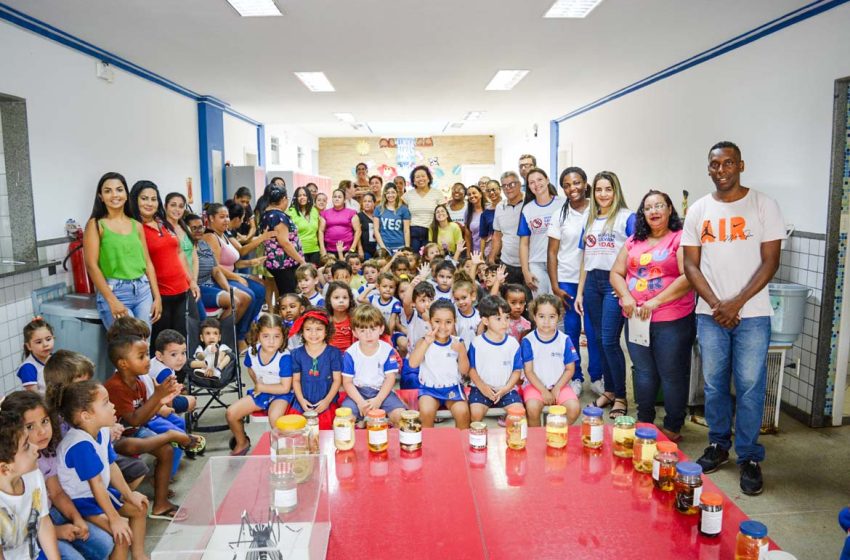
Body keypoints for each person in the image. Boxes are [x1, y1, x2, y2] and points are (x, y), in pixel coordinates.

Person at [682, 141, 785, 496]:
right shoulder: (698, 209)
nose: (721, 170)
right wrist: (717, 304)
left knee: (750, 386)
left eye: (728, 163)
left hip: (753, 314)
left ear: (741, 165)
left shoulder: (763, 205)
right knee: (713, 384)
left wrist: (736, 302)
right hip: (711, 315)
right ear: (708, 168)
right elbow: (691, 264)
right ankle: (718, 445)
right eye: (715, 164)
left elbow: (771, 261)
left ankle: (749, 456)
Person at [610, 189, 695, 442]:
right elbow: (616, 272)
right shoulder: (634, 241)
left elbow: (687, 276)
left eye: (660, 206)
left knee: (671, 373)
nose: (654, 211)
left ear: (670, 210)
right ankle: (644, 419)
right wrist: (626, 296)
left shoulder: (680, 238)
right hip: (636, 319)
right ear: (642, 214)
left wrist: (655, 301)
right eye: (648, 207)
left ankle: (672, 425)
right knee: (643, 371)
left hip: (672, 319)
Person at [2, 391, 114, 560]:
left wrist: (76, 519)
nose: (41, 431)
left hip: (44, 517)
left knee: (104, 544)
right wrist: (58, 532)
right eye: (30, 427)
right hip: (28, 534)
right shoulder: (19, 467)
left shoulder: (39, 465)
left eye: (45, 421)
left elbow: (56, 495)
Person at [56, 381, 149, 560]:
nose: (113, 405)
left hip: (98, 494)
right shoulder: (80, 445)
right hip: (82, 502)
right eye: (106, 402)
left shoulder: (102, 431)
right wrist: (114, 519)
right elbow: (96, 484)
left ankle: (139, 556)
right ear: (86, 416)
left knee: (140, 507)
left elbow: (111, 466)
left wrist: (129, 495)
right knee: (122, 534)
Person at [102, 335, 191, 519]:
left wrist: (160, 401)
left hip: (135, 431)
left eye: (146, 355)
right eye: (141, 356)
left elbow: (143, 418)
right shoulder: (115, 387)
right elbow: (134, 420)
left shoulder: (139, 383)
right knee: (169, 438)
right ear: (124, 363)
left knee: (166, 451)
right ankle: (172, 436)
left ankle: (160, 505)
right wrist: (158, 396)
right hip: (115, 439)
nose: (147, 361)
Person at [575, 171, 635, 419]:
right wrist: (579, 292)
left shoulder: (626, 218)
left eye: (608, 189)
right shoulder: (589, 220)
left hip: (614, 283)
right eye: (598, 190)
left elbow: (636, 253)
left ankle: (621, 395)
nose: (603, 194)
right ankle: (609, 390)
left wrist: (625, 288)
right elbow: (584, 260)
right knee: (598, 340)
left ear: (616, 190)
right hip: (592, 283)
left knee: (610, 341)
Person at [547, 166, 602, 398]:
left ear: (585, 183)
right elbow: (551, 253)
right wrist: (555, 285)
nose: (573, 188)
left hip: (593, 278)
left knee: (593, 331)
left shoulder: (599, 210)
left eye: (577, 183)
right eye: (567, 185)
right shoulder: (560, 214)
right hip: (567, 280)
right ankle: (575, 377)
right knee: (569, 332)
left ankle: (597, 376)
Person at [83, 172, 160, 329]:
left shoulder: (136, 225)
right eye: (107, 191)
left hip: (143, 291)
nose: (114, 195)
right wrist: (111, 300)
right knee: (128, 345)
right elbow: (91, 265)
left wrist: (157, 297)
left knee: (144, 344)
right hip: (115, 291)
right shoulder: (96, 224)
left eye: (119, 189)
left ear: (126, 194)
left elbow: (148, 263)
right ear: (100, 197)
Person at [129, 181, 198, 344]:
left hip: (182, 291)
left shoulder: (164, 224)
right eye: (144, 198)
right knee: (163, 345)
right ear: (135, 200)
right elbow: (144, 263)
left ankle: (181, 370)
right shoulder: (135, 227)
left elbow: (179, 253)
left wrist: (191, 281)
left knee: (182, 342)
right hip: (160, 295)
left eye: (153, 199)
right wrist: (157, 297)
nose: (149, 203)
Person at [226, 314, 292, 456]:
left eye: (277, 336)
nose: (271, 341)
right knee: (231, 413)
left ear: (283, 337)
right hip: (262, 391)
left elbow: (285, 387)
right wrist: (257, 383)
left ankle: (282, 449)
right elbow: (250, 368)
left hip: (282, 394)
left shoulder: (284, 357)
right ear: (258, 335)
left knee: (274, 417)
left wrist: (261, 387)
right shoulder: (252, 351)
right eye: (266, 336)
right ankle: (242, 441)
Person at [203, 203, 269, 344]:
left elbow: (233, 263)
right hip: (217, 280)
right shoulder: (210, 237)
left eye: (227, 216)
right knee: (249, 295)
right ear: (211, 219)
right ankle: (237, 337)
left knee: (260, 288)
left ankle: (244, 330)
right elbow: (216, 268)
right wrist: (237, 277)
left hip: (231, 274)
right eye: (222, 217)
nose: (226, 220)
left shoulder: (224, 235)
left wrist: (251, 263)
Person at [0, 408, 59, 560]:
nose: (34, 447)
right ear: (5, 468)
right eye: (26, 446)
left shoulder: (33, 475)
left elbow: (44, 523)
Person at [521, 294, 582, 427]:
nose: (546, 321)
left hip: (560, 385)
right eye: (542, 316)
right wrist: (543, 391)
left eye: (552, 317)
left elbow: (570, 369)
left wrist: (557, 388)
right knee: (532, 408)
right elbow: (529, 371)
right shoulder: (528, 341)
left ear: (559, 317)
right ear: (534, 317)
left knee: (574, 408)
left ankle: (553, 432)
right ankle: (536, 439)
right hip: (535, 386)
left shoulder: (564, 339)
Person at [340, 305, 406, 425]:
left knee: (401, 417)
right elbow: (347, 382)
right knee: (344, 420)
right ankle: (361, 424)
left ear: (381, 329)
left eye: (372, 329)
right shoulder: (350, 353)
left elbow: (390, 378)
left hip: (382, 391)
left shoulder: (387, 350)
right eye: (363, 330)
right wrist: (360, 402)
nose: (368, 334)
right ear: (355, 332)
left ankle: (386, 423)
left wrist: (378, 400)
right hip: (357, 392)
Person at [409, 300, 471, 428]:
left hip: (452, 388)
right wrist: (426, 343)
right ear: (430, 321)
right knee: (426, 412)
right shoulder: (424, 341)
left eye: (448, 322)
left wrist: (461, 352)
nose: (443, 327)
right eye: (437, 321)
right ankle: (428, 445)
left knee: (463, 412)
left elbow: (464, 370)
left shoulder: (458, 342)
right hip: (429, 390)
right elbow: (413, 364)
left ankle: (462, 445)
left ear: (455, 322)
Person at [188, 213, 250, 329]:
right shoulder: (186, 248)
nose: (198, 231)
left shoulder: (204, 245)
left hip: (210, 285)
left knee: (238, 299)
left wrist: (228, 289)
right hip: (198, 288)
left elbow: (216, 271)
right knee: (234, 302)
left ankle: (224, 334)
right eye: (194, 228)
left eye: (201, 227)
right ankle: (218, 333)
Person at [467, 295, 523, 422]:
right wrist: (483, 387)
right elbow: (471, 369)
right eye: (498, 318)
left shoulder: (513, 343)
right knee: (475, 414)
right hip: (481, 389)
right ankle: (478, 441)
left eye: (507, 318)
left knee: (519, 414)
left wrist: (505, 389)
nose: (504, 323)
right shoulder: (477, 343)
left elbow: (517, 371)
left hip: (506, 389)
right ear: (485, 321)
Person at [289, 310, 343, 429]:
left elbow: (337, 380)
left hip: (326, 401)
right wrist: (302, 401)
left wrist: (326, 401)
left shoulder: (333, 353)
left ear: (326, 331)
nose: (313, 333)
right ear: (302, 331)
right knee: (299, 432)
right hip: (303, 401)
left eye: (319, 329)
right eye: (308, 329)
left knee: (325, 431)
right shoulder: (296, 354)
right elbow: (296, 380)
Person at [518, 168, 563, 297]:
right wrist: (525, 271)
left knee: (558, 304)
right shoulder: (527, 209)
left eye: (539, 179)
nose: (536, 184)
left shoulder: (563, 203)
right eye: (531, 182)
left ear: (547, 180)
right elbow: (524, 244)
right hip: (537, 264)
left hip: (559, 262)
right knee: (540, 305)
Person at [260, 186, 307, 296]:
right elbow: (284, 242)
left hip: (277, 264)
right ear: (283, 199)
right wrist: (301, 261)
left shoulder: (267, 214)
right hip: (284, 264)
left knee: (284, 293)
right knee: (289, 295)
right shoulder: (278, 216)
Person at [489, 171, 525, 285]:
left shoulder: (529, 203)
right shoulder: (500, 206)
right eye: (504, 185)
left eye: (512, 184)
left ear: (519, 185)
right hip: (507, 263)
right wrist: (492, 256)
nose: (508, 188)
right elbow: (497, 235)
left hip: (528, 264)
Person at [403, 165, 444, 252]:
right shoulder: (407, 195)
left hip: (431, 231)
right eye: (417, 177)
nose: (420, 179)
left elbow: (443, 214)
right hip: (413, 232)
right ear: (413, 181)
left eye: (423, 176)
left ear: (428, 178)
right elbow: (402, 214)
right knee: (414, 258)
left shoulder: (437, 194)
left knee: (430, 257)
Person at [164, 192, 198, 292]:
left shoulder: (185, 227)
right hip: (176, 282)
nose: (177, 209)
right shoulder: (162, 229)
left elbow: (194, 256)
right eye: (173, 205)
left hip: (192, 282)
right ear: (166, 206)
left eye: (181, 206)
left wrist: (194, 280)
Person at [286, 186, 324, 265]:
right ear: (296, 198)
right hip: (298, 251)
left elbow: (320, 231)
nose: (302, 197)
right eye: (299, 195)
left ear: (308, 197)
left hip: (315, 250)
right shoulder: (290, 212)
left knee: (314, 276)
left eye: (304, 195)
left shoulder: (314, 210)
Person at [17, 318, 54, 394]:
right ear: (29, 346)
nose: (45, 344)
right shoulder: (28, 368)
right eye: (39, 342)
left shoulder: (55, 359)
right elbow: (35, 399)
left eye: (48, 339)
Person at [319, 189, 360, 256]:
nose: (337, 199)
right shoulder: (325, 213)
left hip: (348, 250)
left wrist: (352, 248)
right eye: (334, 197)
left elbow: (358, 231)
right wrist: (322, 248)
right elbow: (321, 231)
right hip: (329, 250)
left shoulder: (351, 213)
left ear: (344, 200)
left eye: (339, 197)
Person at [374, 183, 411, 254]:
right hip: (383, 245)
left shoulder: (404, 209)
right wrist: (383, 247)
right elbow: (376, 230)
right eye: (388, 193)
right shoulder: (378, 209)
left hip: (399, 246)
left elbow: (406, 230)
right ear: (384, 194)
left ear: (397, 193)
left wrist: (407, 247)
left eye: (393, 192)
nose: (390, 195)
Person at [324, 281, 356, 353]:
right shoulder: (325, 320)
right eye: (336, 297)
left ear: (350, 300)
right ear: (329, 300)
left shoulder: (354, 319)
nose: (341, 301)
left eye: (345, 298)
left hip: (350, 357)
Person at [452, 273, 479, 348]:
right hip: (457, 352)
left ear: (473, 296)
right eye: (457, 299)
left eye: (464, 298)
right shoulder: (454, 314)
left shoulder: (479, 316)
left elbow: (479, 338)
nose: (460, 302)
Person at [463, 185, 489, 255]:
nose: (471, 196)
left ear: (480, 194)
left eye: (474, 193)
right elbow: (467, 236)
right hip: (476, 252)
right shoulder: (468, 212)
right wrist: (468, 255)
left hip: (490, 252)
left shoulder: (489, 209)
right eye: (469, 194)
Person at [357, 193, 378, 259]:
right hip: (365, 250)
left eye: (369, 201)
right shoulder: (358, 216)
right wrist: (360, 249)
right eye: (364, 201)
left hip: (378, 249)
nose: (367, 203)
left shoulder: (378, 215)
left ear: (374, 203)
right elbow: (357, 234)